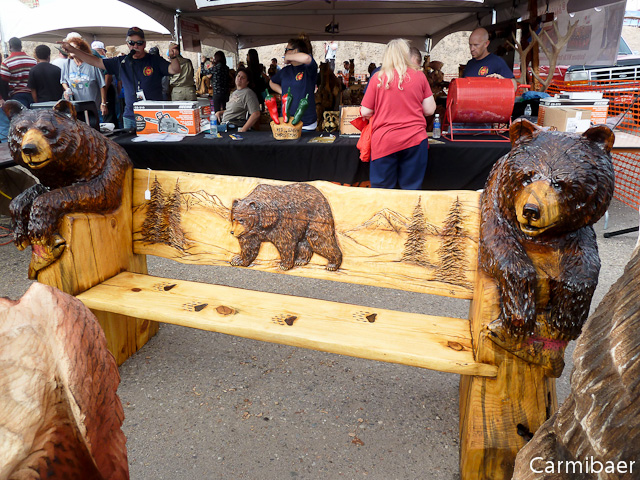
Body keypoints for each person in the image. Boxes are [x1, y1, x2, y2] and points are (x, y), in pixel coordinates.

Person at [60, 27, 180, 130]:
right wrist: (73, 50)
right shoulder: (121, 61)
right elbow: (96, 62)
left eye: (139, 43)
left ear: (144, 44)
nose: (135, 46)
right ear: (127, 44)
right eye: (132, 43)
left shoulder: (154, 60)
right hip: (130, 115)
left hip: (153, 114)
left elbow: (174, 70)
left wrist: (174, 57)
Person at [360, 38, 436, 190]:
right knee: (411, 191)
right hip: (415, 139)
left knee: (382, 192)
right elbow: (429, 110)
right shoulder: (419, 76)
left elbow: (365, 111)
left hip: (385, 140)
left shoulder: (377, 78)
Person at [269, 37, 318, 130]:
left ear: (295, 51)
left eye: (287, 50)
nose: (285, 53)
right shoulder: (285, 71)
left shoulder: (308, 69)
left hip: (306, 124)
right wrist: (283, 91)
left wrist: (287, 57)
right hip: (286, 122)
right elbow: (272, 82)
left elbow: (307, 58)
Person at [60, 34, 107, 118]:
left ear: (81, 49)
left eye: (74, 48)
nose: (71, 50)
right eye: (70, 48)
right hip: (75, 107)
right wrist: (67, 89)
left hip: (93, 107)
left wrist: (103, 103)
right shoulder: (67, 64)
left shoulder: (92, 64)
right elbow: (63, 81)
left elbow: (102, 85)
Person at [215, 68, 260, 133]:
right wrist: (220, 112)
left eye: (243, 77)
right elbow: (233, 109)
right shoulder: (234, 93)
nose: (239, 78)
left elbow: (256, 113)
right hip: (224, 124)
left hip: (233, 126)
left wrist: (243, 129)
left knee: (208, 130)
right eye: (238, 76)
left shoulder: (248, 93)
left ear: (247, 82)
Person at [0, 37, 37, 108]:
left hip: (16, 96)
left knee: (20, 115)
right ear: (21, 46)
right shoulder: (33, 61)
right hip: (32, 95)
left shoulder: (6, 63)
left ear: (10, 47)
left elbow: (3, 83)